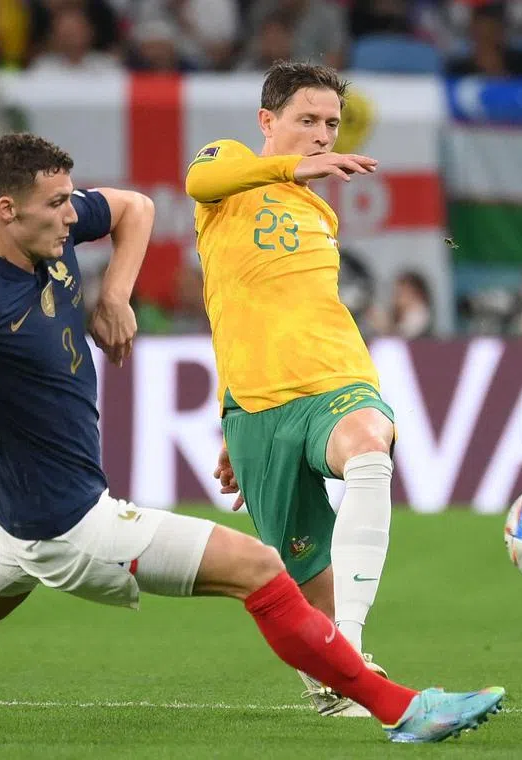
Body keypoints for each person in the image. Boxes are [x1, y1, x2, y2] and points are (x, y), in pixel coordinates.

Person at [0, 133, 505, 744]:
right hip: (67, 522)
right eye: (57, 204)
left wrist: (116, 294)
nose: (72, 214)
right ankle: (402, 710)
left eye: (68, 200)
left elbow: (133, 208)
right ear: (4, 212)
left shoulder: (50, 237)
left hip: (17, 519)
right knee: (258, 568)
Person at [185, 61, 396, 718]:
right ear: (267, 121)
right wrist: (229, 415)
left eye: (331, 124)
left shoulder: (318, 214)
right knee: (304, 584)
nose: (322, 136)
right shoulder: (230, 170)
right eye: (307, 120)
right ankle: (333, 676)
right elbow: (200, 179)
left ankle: (353, 650)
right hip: (258, 409)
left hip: (336, 377)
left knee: (369, 446)